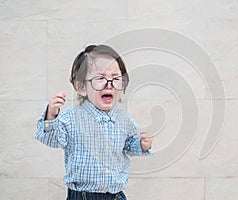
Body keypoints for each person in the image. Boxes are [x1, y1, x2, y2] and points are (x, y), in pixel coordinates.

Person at [35, 44, 153, 200]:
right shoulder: (71, 118)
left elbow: (129, 144)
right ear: (82, 87)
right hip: (83, 195)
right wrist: (51, 115)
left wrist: (142, 145)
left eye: (116, 78)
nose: (109, 84)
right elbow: (52, 139)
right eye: (100, 78)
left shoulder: (124, 120)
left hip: (116, 195)